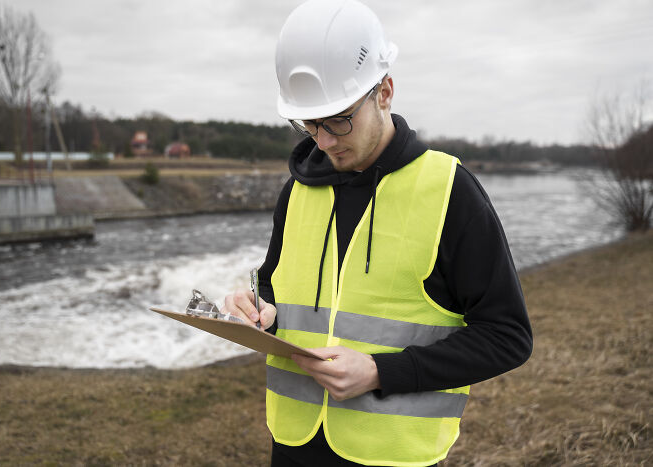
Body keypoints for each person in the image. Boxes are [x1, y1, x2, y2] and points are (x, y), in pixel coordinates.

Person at [222, 0, 532, 465]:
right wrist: (257, 309)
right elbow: (275, 288)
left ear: (385, 91)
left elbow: (507, 335)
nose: (322, 141)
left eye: (339, 119)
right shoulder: (297, 191)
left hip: (392, 455)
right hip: (292, 446)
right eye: (308, 123)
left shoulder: (450, 190)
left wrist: (381, 371)